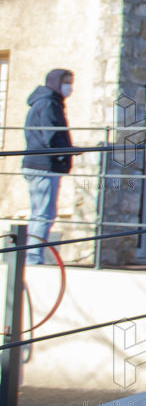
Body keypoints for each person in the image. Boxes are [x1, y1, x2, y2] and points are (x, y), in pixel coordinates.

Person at [22, 68, 75, 265]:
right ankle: (33, 257)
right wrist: (65, 153)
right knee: (44, 214)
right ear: (55, 82)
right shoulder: (48, 103)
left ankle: (32, 255)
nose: (69, 87)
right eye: (66, 82)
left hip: (40, 164)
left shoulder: (47, 102)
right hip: (43, 165)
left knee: (42, 213)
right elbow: (51, 135)